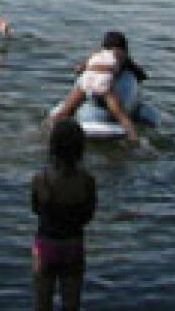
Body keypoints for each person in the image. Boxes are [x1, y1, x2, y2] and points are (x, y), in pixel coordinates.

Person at [31, 118, 96, 311]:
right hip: (73, 244)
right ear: (80, 148)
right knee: (71, 304)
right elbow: (88, 215)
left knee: (42, 304)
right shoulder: (87, 181)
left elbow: (35, 209)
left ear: (53, 146)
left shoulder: (41, 179)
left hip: (45, 245)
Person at [49, 31, 144, 140]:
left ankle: (47, 129)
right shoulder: (123, 55)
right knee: (120, 115)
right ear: (124, 48)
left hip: (86, 80)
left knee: (66, 110)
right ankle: (134, 138)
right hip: (103, 83)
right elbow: (140, 74)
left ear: (104, 46)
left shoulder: (96, 54)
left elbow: (79, 69)